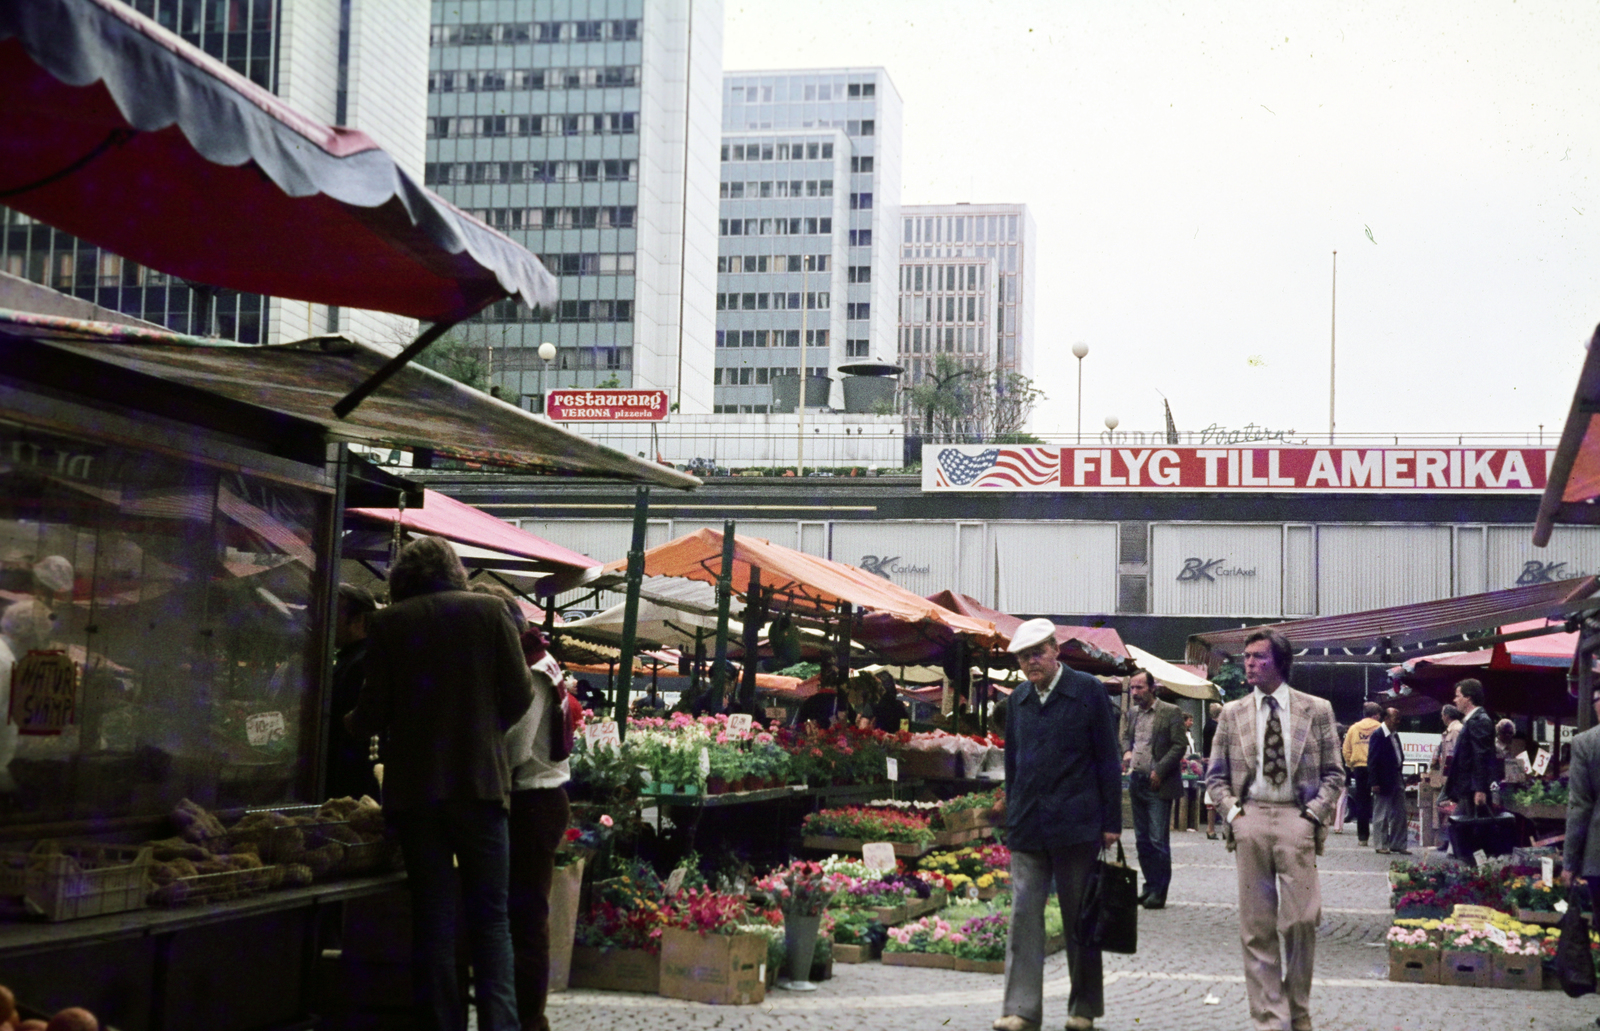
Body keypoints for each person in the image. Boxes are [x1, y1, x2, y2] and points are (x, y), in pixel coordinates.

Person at [346, 536, 533, 1031]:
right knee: (491, 921)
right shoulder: (490, 613)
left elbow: (372, 710)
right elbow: (519, 693)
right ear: (455, 570)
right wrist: (485, 734)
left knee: (433, 920)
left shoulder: (389, 623)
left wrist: (347, 722)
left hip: (415, 792)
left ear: (402, 578)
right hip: (480, 785)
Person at [1205, 629, 1343, 1031]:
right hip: (1250, 819)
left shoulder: (1316, 709)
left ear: (1279, 662)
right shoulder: (1232, 712)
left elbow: (1335, 774)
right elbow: (1215, 778)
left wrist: (1313, 816)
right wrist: (1234, 815)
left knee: (1302, 918)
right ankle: (1272, 1018)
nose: (1248, 663)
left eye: (1257, 657)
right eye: (1246, 656)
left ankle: (1298, 1009)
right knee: (1256, 926)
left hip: (1295, 819)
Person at [993, 619, 1121, 1031]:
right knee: (1023, 919)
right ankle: (1020, 1010)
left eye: (1037, 653)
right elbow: (1012, 764)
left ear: (1055, 650)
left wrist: (1111, 820)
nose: (1030, 662)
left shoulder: (1087, 691)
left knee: (1079, 920)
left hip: (1077, 824)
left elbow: (1108, 759)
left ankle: (1082, 1009)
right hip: (1028, 824)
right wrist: (1012, 813)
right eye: (1022, 657)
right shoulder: (1019, 701)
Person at [506, 625, 573, 1031]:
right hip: (537, 799)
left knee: (527, 918)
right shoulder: (537, 661)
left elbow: (517, 745)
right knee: (524, 917)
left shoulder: (532, 669)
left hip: (533, 800)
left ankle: (530, 1019)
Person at [1119, 669, 1186, 909]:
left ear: (1152, 688)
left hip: (1158, 784)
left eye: (1139, 688)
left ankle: (1160, 891)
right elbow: (1126, 738)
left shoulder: (1170, 712)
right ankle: (1149, 886)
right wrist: (1126, 751)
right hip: (1137, 780)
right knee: (1142, 840)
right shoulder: (1133, 713)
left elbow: (1179, 745)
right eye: (1132, 688)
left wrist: (1160, 769)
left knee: (1158, 839)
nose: (1135, 693)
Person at [325, 583, 379, 801]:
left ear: (359, 620)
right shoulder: (353, 658)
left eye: (335, 614)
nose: (329, 621)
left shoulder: (361, 662)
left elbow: (351, 726)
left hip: (349, 778)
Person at [1444, 679, 1496, 822]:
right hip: (1467, 788)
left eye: (1458, 695)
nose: (1455, 700)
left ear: (1468, 698)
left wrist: (1480, 789)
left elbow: (1481, 756)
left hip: (1472, 789)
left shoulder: (1480, 721)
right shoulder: (1472, 720)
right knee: (1459, 826)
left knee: (1467, 828)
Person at [1369, 707, 1409, 855]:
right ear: (1386, 718)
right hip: (1383, 779)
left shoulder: (1394, 734)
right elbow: (1372, 760)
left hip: (1396, 776)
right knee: (1382, 813)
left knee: (1400, 812)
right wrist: (1374, 782)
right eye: (1395, 718)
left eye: (1399, 718)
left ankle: (1398, 844)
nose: (1398, 722)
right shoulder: (1378, 735)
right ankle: (1380, 844)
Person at [1341, 702, 1382, 847]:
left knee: (1362, 802)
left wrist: (1351, 765)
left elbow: (1346, 750)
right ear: (1376, 715)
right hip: (1377, 768)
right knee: (1381, 802)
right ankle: (1381, 837)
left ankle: (1362, 837)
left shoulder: (1354, 728)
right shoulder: (1379, 728)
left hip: (1359, 768)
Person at [1203, 701, 1223, 839]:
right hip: (1216, 763)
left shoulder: (1209, 726)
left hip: (1214, 761)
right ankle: (1213, 829)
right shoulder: (1215, 727)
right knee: (1215, 795)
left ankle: (1213, 829)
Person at [1496, 719, 1530, 787]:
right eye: (1504, 732)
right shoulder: (1495, 748)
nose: (1508, 735)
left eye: (1510, 733)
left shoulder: (1509, 747)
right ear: (1499, 732)